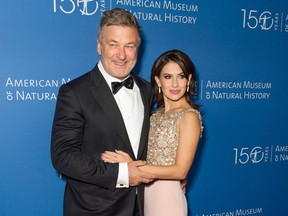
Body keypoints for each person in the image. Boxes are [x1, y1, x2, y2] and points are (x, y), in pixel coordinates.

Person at [50, 8, 155, 216]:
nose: (122, 55)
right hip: (95, 210)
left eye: (129, 46)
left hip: (142, 208)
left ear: (138, 49)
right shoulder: (74, 92)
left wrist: (171, 175)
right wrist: (123, 173)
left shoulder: (147, 89)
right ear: (99, 46)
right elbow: (63, 157)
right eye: (113, 45)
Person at [101, 49, 203, 216]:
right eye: (168, 77)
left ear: (189, 79)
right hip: (144, 195)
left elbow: (180, 171)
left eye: (181, 76)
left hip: (168, 198)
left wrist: (133, 166)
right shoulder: (154, 115)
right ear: (158, 80)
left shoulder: (189, 117)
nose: (175, 84)